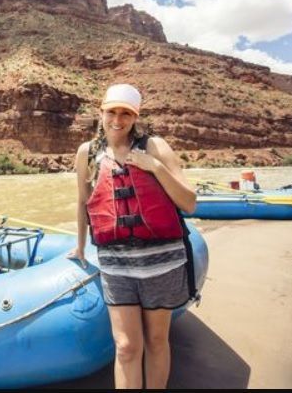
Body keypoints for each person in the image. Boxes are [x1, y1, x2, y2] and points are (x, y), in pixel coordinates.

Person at [67, 83, 198, 389]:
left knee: (156, 340)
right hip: (116, 263)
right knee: (126, 347)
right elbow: (84, 201)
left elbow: (189, 202)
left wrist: (154, 168)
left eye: (126, 113)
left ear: (135, 116)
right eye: (112, 111)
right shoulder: (87, 153)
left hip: (162, 261)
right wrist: (80, 245)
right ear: (101, 113)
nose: (118, 119)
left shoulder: (155, 147)